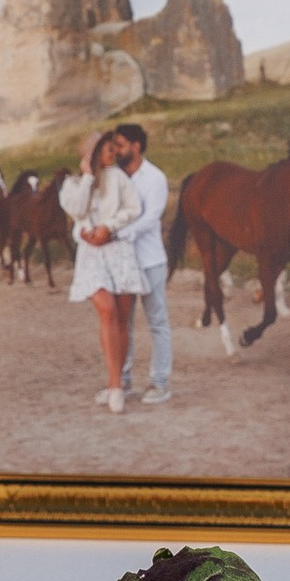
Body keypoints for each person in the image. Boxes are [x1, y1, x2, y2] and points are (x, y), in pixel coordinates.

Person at [60, 124, 144, 414]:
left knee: (122, 319)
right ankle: (116, 387)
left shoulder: (119, 177)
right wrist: (86, 177)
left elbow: (134, 209)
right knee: (107, 310)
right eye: (108, 149)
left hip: (118, 252)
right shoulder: (72, 185)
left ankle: (114, 384)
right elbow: (77, 211)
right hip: (91, 256)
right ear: (92, 153)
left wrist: (109, 226)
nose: (114, 153)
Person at [111, 119, 175, 403]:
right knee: (123, 323)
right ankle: (122, 382)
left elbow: (151, 218)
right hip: (122, 261)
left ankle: (159, 383)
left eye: (120, 145)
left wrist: (117, 233)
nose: (115, 150)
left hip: (149, 260)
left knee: (157, 322)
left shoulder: (155, 178)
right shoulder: (115, 177)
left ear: (136, 147)